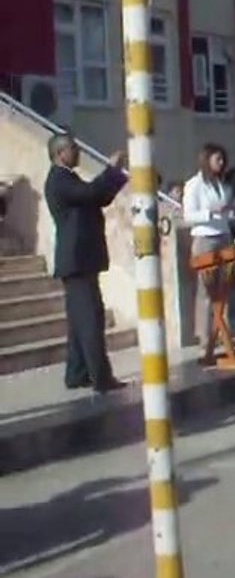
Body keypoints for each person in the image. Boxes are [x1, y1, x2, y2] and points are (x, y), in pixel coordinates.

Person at [44, 134, 128, 392]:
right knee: (90, 319)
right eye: (73, 148)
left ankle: (77, 372)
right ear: (60, 154)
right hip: (76, 261)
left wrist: (114, 176)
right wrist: (111, 170)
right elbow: (91, 193)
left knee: (80, 321)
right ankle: (101, 378)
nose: (78, 151)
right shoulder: (59, 179)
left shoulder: (68, 178)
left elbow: (97, 198)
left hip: (81, 260)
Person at [182, 144, 235, 363]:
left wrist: (230, 212)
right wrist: (209, 212)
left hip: (224, 235)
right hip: (205, 238)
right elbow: (188, 215)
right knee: (206, 291)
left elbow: (226, 213)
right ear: (207, 160)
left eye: (222, 160)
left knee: (224, 289)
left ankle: (224, 335)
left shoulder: (222, 185)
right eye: (217, 159)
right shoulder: (194, 185)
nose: (220, 164)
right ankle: (205, 340)